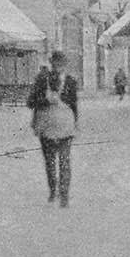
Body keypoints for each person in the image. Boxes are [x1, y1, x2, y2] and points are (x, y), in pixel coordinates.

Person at [26, 50, 78, 208]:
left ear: (64, 65)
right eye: (55, 63)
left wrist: (75, 124)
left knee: (64, 162)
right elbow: (30, 102)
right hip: (47, 127)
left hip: (65, 127)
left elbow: (74, 105)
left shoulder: (70, 82)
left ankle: (64, 195)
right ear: (51, 63)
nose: (58, 67)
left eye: (61, 64)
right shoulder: (42, 80)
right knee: (50, 162)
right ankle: (53, 190)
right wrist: (45, 100)